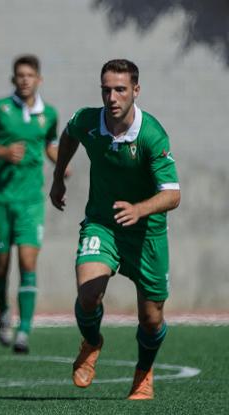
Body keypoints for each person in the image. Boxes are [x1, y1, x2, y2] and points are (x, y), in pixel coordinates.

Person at [50, 59, 180, 400]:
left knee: (151, 320)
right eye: (106, 89)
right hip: (103, 223)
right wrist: (58, 177)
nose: (112, 97)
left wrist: (139, 209)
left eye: (120, 89)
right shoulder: (88, 120)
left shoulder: (152, 134)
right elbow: (68, 135)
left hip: (147, 233)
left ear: (136, 90)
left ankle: (143, 374)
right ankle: (92, 342)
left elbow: (173, 194)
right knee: (88, 294)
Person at [0, 55, 59, 353]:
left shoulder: (50, 114)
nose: (24, 79)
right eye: (19, 75)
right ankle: (4, 311)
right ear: (13, 79)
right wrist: (2, 151)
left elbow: (49, 145)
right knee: (1, 266)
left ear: (39, 79)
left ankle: (24, 330)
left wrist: (62, 165)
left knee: (28, 263)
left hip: (31, 201)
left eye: (30, 75)